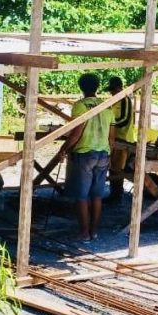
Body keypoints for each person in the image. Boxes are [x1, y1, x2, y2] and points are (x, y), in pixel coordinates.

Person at [59, 73, 115, 241]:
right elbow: (112, 137)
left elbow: (76, 134)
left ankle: (84, 232)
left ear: (81, 87)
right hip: (103, 153)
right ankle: (94, 231)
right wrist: (110, 154)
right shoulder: (108, 106)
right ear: (97, 87)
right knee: (97, 195)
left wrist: (63, 149)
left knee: (82, 196)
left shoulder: (80, 106)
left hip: (85, 154)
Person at [106, 76, 136, 204]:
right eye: (111, 90)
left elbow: (124, 119)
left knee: (118, 169)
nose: (112, 92)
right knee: (112, 168)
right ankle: (114, 194)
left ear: (119, 88)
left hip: (123, 139)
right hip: (114, 138)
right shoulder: (113, 101)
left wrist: (109, 124)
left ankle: (117, 196)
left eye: (113, 90)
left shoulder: (125, 100)